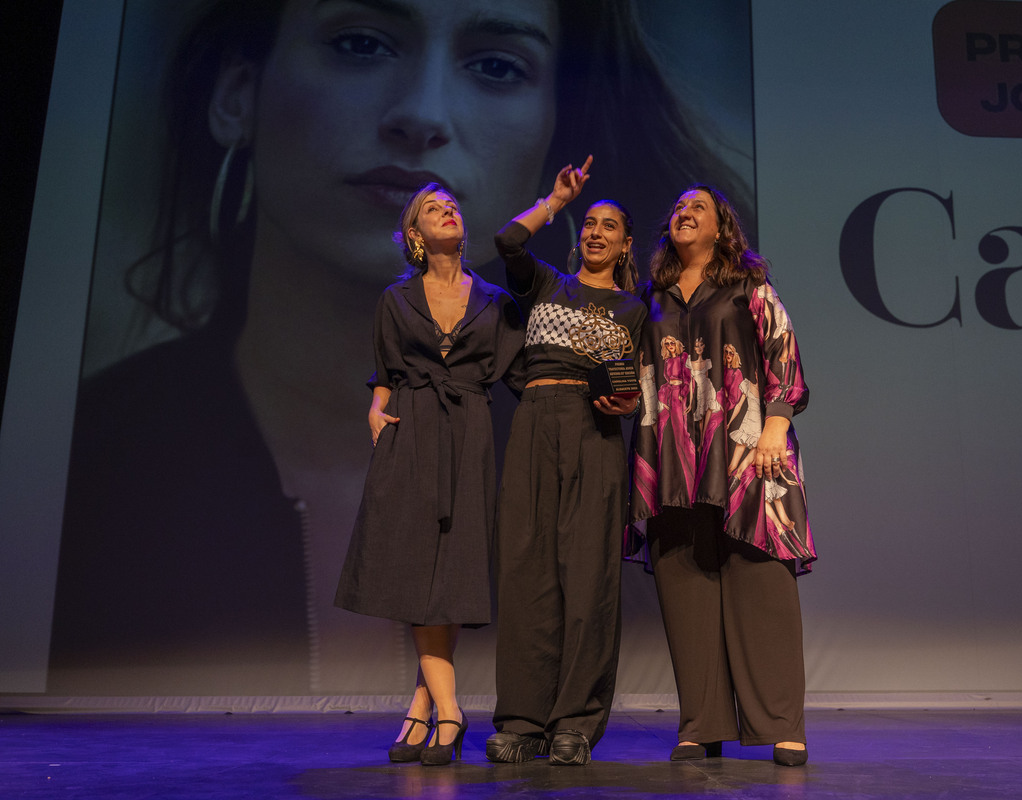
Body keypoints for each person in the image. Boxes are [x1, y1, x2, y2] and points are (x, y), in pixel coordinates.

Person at [49, 0, 756, 697]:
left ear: (553, 143)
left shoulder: (625, 471)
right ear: (238, 93)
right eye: (361, 43)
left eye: (496, 65)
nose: (421, 114)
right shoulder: (84, 462)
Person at [334, 184, 524, 765]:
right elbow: (386, 366)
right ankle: (450, 712)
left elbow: (520, 370)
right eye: (433, 208)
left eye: (454, 206)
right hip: (411, 429)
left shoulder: (494, 301)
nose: (449, 211)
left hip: (469, 433)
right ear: (415, 234)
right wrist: (375, 404)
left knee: (454, 572)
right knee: (418, 570)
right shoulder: (396, 297)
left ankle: (423, 706)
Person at [627, 186, 816, 766]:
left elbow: (783, 350)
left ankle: (781, 723)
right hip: (671, 458)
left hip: (748, 449)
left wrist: (778, 424)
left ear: (722, 228)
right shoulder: (651, 297)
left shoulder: (748, 288)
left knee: (761, 583)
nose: (683, 212)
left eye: (698, 207)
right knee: (684, 585)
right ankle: (700, 723)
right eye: (677, 207)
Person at [486, 157, 646, 766]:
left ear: (626, 244)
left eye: (610, 226)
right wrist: (554, 202)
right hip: (534, 425)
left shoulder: (636, 310)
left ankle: (575, 722)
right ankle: (523, 719)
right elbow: (508, 240)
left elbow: (637, 391)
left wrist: (627, 402)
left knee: (588, 579)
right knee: (527, 573)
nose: (596, 232)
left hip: (594, 432)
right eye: (590, 223)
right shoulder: (549, 284)